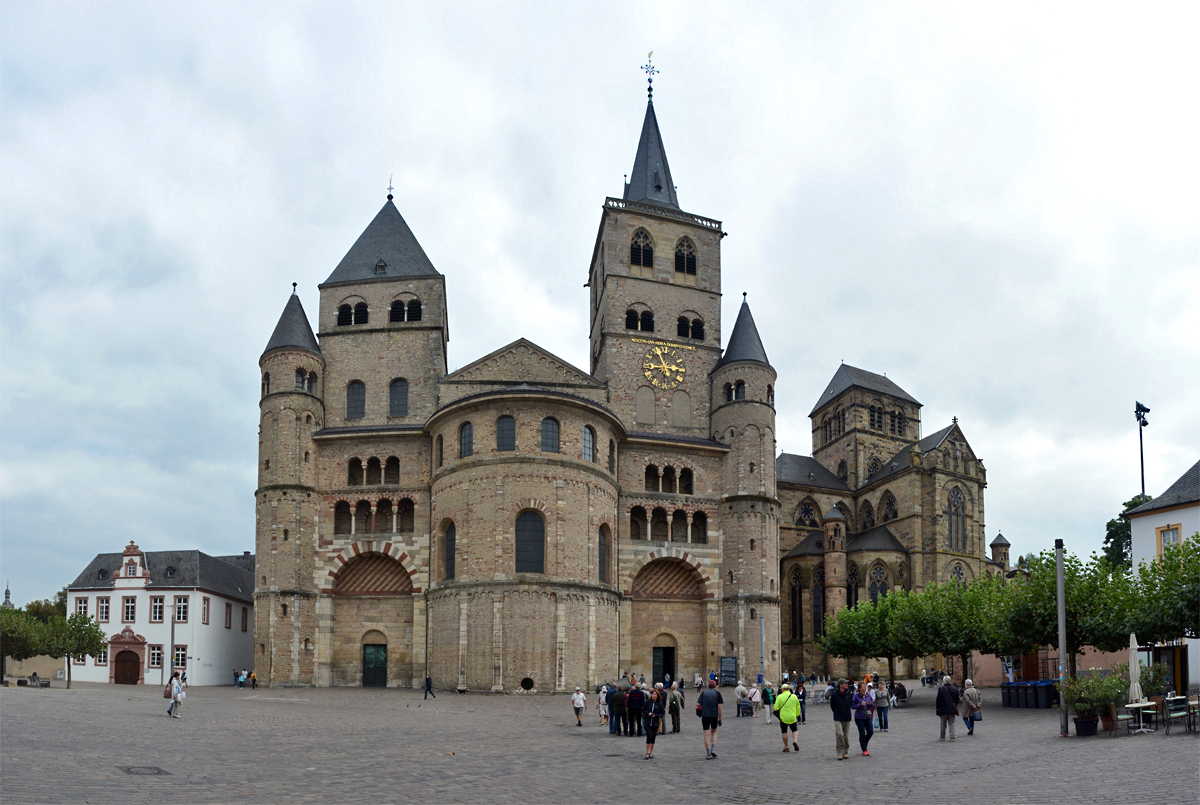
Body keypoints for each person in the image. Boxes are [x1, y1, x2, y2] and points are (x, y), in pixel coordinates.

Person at [829, 677, 853, 760]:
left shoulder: (849, 694)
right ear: (841, 685)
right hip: (838, 717)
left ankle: (845, 752)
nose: (847, 684)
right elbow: (832, 706)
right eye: (845, 683)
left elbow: (851, 704)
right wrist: (837, 712)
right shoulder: (835, 695)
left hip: (847, 717)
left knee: (845, 736)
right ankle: (840, 752)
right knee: (839, 735)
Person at [773, 683, 802, 752]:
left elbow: (776, 708)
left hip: (783, 717)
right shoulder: (794, 696)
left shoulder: (779, 697)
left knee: (784, 732)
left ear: (783, 689)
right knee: (794, 730)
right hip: (792, 716)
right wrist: (797, 715)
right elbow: (798, 707)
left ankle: (786, 746)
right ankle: (795, 740)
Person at [699, 679, 723, 759]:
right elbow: (719, 708)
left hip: (705, 715)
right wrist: (720, 719)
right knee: (714, 732)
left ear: (708, 685)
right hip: (714, 715)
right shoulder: (717, 694)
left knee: (706, 734)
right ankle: (713, 748)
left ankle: (708, 753)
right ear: (715, 685)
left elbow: (697, 704)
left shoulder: (704, 693)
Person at [852, 679, 875, 756]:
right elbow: (852, 706)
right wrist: (860, 705)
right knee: (862, 733)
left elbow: (873, 705)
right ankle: (864, 749)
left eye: (865, 687)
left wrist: (870, 704)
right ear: (859, 688)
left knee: (870, 732)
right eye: (863, 687)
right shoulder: (856, 696)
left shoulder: (868, 695)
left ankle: (864, 744)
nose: (864, 689)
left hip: (867, 716)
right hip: (859, 717)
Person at [642, 688, 665, 759]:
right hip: (648, 721)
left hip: (655, 722)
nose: (654, 696)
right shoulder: (647, 702)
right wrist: (647, 713)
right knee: (649, 736)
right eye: (653, 694)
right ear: (651, 695)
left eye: (656, 694)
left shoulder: (659, 704)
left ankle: (651, 752)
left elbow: (662, 712)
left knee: (653, 737)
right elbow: (643, 709)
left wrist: (657, 715)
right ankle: (647, 752)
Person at [936, 675, 961, 741]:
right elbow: (957, 699)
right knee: (952, 723)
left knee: (943, 724)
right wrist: (955, 704)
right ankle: (952, 736)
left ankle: (942, 736)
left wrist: (937, 708)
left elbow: (938, 700)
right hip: (951, 708)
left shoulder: (941, 689)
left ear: (944, 682)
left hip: (943, 709)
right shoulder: (954, 689)